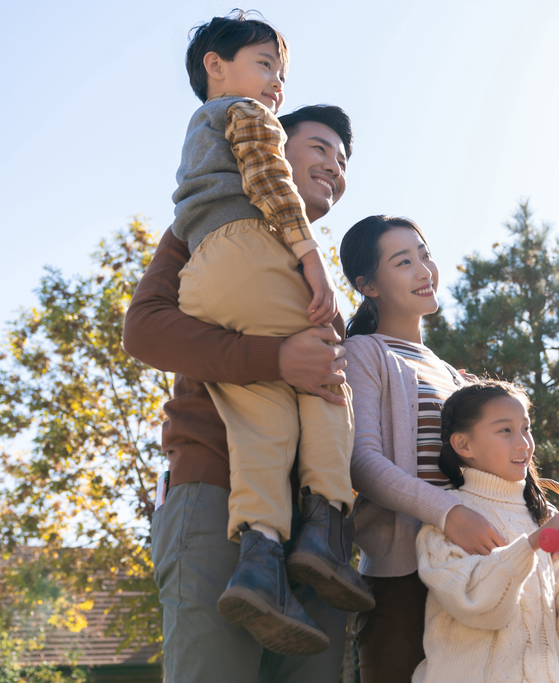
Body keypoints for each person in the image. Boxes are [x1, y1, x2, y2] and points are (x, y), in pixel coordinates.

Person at [123, 102, 355, 681]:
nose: (336, 168)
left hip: (314, 534)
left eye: (344, 160)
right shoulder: (205, 230)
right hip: (215, 494)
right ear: (274, 153)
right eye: (319, 149)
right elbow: (144, 329)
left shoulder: (317, 283)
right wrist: (276, 358)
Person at [171, 12, 371, 656]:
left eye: (281, 74)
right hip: (251, 253)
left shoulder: (197, 140)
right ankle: (325, 529)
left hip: (210, 279)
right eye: (267, 65)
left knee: (263, 416)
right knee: (326, 382)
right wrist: (311, 256)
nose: (275, 85)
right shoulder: (246, 117)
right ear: (215, 67)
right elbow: (266, 175)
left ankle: (259, 560)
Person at [339, 216, 507, 683]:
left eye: (425, 254)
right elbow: (362, 462)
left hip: (470, 571)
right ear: (367, 284)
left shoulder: (454, 375)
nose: (424, 269)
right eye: (403, 261)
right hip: (402, 583)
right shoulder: (364, 353)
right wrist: (448, 513)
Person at [413, 381, 559, 683]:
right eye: (505, 430)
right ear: (464, 445)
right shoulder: (451, 515)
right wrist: (529, 545)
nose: (523, 443)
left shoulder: (539, 516)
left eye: (526, 429)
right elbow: (476, 603)